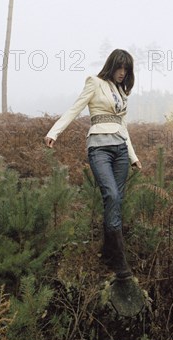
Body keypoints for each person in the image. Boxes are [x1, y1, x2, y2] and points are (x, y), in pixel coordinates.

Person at [44, 49, 142, 279]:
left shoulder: (122, 93)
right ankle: (119, 260)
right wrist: (54, 132)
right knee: (112, 195)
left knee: (116, 200)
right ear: (111, 66)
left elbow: (123, 127)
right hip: (99, 148)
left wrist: (133, 156)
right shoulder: (94, 83)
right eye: (119, 67)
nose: (122, 72)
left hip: (119, 150)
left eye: (126, 69)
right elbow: (75, 108)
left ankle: (109, 253)